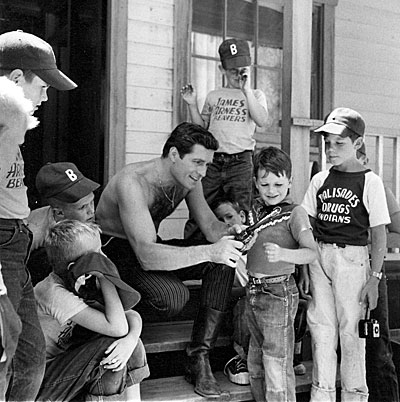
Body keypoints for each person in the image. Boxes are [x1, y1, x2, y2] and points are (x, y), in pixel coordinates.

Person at [96, 122, 244, 398]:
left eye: (207, 165)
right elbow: (147, 255)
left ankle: (199, 357)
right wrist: (210, 251)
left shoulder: (190, 180)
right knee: (173, 297)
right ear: (174, 154)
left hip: (149, 247)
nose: (202, 172)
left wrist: (235, 234)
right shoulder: (133, 181)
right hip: (115, 252)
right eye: (197, 162)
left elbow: (212, 229)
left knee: (224, 259)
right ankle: (128, 320)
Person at [0, 30, 77, 401]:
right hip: (2, 246)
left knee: (29, 357)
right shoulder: (5, 118)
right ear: (17, 79)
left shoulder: (11, 120)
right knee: (4, 356)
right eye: (43, 85)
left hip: (15, 243)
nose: (46, 96)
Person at [301, 107, 390, 402]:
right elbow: (307, 225)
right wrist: (304, 264)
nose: (331, 150)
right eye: (328, 144)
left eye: (339, 143)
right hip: (319, 257)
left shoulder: (370, 182)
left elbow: (379, 233)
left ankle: (354, 395)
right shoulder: (320, 180)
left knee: (352, 333)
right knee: (322, 330)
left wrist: (374, 278)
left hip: (352, 259)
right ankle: (322, 395)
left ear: (357, 143)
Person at [34, 219, 149, 401]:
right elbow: (117, 328)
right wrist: (105, 277)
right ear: (75, 267)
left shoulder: (80, 283)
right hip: (43, 383)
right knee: (110, 347)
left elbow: (131, 316)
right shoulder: (52, 293)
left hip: (66, 369)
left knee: (127, 341)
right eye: (97, 256)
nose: (105, 259)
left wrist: (131, 339)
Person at [241, 146, 316, 402]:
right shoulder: (253, 211)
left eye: (278, 184)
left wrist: (284, 254)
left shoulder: (295, 213)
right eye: (265, 184)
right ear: (255, 183)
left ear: (290, 182)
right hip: (252, 290)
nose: (271, 191)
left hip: (277, 293)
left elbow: (311, 252)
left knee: (276, 363)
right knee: (255, 363)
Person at [181, 38, 268, 240]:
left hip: (240, 162)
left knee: (241, 211)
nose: (238, 74)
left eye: (242, 69)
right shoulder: (214, 95)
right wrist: (192, 104)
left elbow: (262, 120)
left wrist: (246, 91)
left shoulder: (255, 95)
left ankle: (238, 257)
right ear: (222, 69)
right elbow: (201, 129)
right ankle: (193, 254)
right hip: (213, 161)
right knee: (200, 205)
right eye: (232, 70)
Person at [357, 143, 400, 402]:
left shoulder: (377, 187)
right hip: (337, 274)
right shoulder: (325, 185)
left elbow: (398, 231)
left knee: (377, 345)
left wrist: (373, 240)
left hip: (371, 273)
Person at [27, 162, 100, 285]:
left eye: (92, 202)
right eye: (82, 207)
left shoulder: (87, 222)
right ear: (60, 213)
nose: (91, 211)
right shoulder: (33, 230)